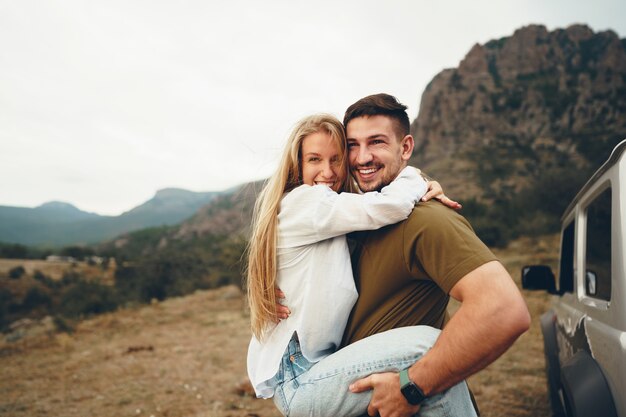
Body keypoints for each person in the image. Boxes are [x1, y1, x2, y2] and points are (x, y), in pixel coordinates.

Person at [246, 114, 478, 416]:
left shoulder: (333, 216)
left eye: (336, 159)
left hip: (319, 368)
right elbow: (390, 206)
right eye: (314, 160)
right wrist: (415, 178)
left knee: (433, 382)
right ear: (297, 166)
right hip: (300, 378)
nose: (327, 172)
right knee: (434, 347)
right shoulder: (307, 203)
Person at [339, 93, 531, 417]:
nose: (362, 157)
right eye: (352, 145)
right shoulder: (357, 215)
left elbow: (503, 309)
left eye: (376, 142)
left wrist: (412, 386)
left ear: (406, 148)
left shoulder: (427, 220)